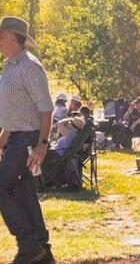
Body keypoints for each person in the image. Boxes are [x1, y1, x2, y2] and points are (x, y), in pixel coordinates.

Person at [0, 16, 55, 264]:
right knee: (23, 190)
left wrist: (42, 145)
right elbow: (17, 108)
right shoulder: (10, 66)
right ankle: (40, 246)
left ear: (12, 38)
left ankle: (29, 246)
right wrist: (4, 136)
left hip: (28, 139)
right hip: (16, 137)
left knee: (2, 187)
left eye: (0, 37)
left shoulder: (30, 67)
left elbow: (45, 108)